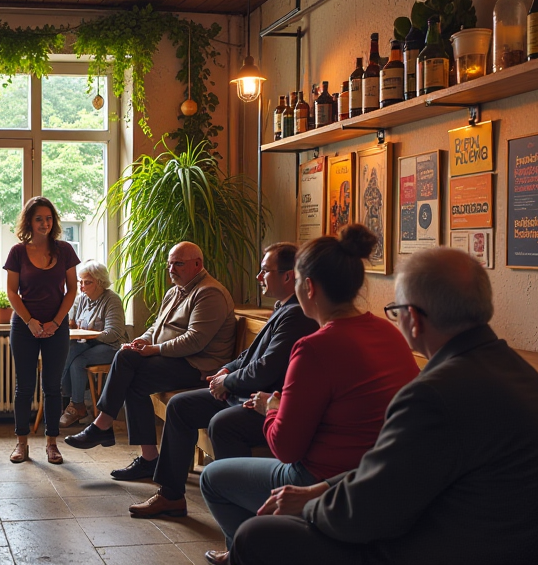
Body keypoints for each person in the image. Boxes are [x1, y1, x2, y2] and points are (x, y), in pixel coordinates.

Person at [229, 248, 538, 565]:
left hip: (450, 546)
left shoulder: (434, 394)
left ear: (412, 319)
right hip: (516, 543)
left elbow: (362, 516)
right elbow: (396, 472)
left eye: (396, 310)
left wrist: (308, 505)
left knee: (256, 534)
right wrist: (322, 489)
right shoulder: (519, 372)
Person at [198, 225, 419, 565]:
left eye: (298, 279)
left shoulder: (315, 347)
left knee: (213, 478)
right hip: (378, 477)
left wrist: (271, 409)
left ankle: (251, 552)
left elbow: (286, 448)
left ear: (309, 287)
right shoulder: (388, 333)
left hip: (320, 478)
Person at [128, 242, 318, 518]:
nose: (258, 276)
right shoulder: (282, 307)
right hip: (242, 390)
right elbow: (250, 355)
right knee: (179, 406)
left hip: (262, 400)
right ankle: (171, 496)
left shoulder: (297, 315)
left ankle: (237, 504)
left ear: (288, 276)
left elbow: (267, 369)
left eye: (265, 270)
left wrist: (227, 383)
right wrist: (226, 371)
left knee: (222, 424)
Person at [65, 241, 237, 482]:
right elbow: (156, 328)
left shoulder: (209, 293)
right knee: (131, 369)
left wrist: (153, 349)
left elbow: (195, 342)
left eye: (178, 264)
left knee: (127, 363)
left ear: (197, 264)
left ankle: (104, 427)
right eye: (169, 264)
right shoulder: (175, 291)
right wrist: (140, 341)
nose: (171, 269)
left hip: (199, 367)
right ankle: (145, 456)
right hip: (174, 360)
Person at [4, 196, 80, 465]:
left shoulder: (65, 250)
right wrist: (30, 321)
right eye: (39, 218)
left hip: (56, 326)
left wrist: (56, 322)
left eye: (49, 218)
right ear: (29, 221)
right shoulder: (18, 252)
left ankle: (52, 444)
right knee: (24, 387)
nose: (45, 223)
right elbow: (12, 292)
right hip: (25, 327)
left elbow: (72, 290)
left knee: (52, 387)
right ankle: (21, 443)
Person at [60, 260, 128, 427]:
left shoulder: (112, 299)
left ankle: (68, 400)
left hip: (112, 347)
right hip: (88, 345)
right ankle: (74, 403)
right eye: (80, 282)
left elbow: (114, 333)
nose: (82, 286)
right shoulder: (81, 299)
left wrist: (89, 336)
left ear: (100, 282)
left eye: (87, 282)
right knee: (70, 352)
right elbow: (71, 322)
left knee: (77, 359)